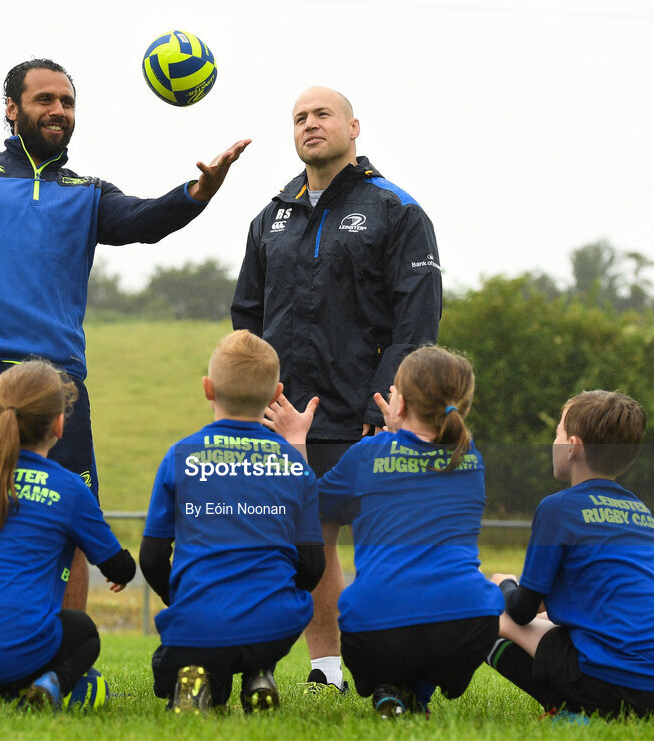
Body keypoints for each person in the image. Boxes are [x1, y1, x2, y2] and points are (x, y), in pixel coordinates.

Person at [0, 58, 249, 611]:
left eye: (67, 102)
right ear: (12, 110)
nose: (58, 110)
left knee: (72, 520)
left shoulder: (88, 191)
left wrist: (198, 192)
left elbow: (145, 222)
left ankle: (58, 655)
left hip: (59, 379)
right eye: (44, 100)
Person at [231, 85, 442, 692]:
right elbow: (246, 314)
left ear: (354, 126)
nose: (310, 124)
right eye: (299, 117)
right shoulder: (270, 214)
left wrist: (390, 401)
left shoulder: (396, 210)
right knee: (303, 540)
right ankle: (326, 668)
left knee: (383, 544)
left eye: (322, 114)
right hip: (285, 413)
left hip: (370, 409)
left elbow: (416, 319)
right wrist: (256, 394)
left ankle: (395, 668)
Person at [267, 345, 503, 718]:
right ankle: (416, 696)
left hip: (376, 633)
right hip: (463, 633)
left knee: (378, 613)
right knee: (471, 601)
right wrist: (402, 428)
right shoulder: (470, 458)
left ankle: (387, 687)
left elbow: (310, 504)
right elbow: (422, 456)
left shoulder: (368, 454)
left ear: (402, 403)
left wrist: (296, 440)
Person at [0, 359, 135, 709]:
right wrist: (123, 570)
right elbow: (118, 567)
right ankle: (49, 686)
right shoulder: (68, 488)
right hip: (20, 650)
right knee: (83, 633)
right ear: (59, 424)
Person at [487, 390, 654, 721]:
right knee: (545, 623)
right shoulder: (641, 513)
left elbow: (521, 610)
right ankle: (586, 705)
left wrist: (504, 583)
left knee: (489, 615)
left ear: (572, 446)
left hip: (616, 687)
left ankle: (576, 711)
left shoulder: (558, 508)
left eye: (557, 433)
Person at [140, 330, 325, 714]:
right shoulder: (294, 465)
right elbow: (312, 565)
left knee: (172, 665)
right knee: (261, 619)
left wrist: (181, 598)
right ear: (276, 393)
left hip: (196, 620)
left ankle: (197, 676)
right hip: (274, 625)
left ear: (208, 389)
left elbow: (153, 558)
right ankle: (260, 673)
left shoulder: (180, 456)